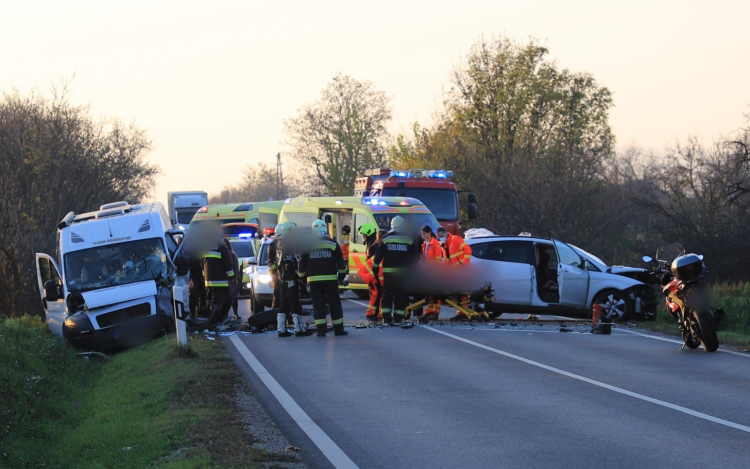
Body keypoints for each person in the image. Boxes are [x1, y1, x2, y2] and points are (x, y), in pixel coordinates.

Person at [299, 219, 348, 337]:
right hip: (331, 280)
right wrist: (341, 276)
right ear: (325, 229)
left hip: (314, 281)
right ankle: (338, 330)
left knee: (318, 305)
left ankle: (321, 330)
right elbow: (341, 264)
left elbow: (301, 265)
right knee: (334, 303)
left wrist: (303, 278)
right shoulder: (332, 243)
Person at [373, 216, 419, 324]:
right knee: (401, 294)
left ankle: (386, 317)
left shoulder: (385, 238)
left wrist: (375, 269)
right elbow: (415, 257)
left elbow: (378, 256)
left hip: (389, 272)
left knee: (387, 294)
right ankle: (398, 316)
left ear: (392, 225)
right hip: (403, 272)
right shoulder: (409, 238)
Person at [275, 222, 312, 337]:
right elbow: (290, 261)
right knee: (295, 303)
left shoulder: (279, 242)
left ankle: (281, 329)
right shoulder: (289, 242)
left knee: (284, 304)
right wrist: (297, 276)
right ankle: (299, 329)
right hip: (290, 277)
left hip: (282, 277)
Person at [201, 225, 235, 327]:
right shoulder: (221, 248)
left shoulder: (205, 248)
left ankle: (210, 319)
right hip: (220, 282)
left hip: (208, 281)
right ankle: (217, 321)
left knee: (210, 300)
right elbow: (227, 264)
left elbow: (202, 264)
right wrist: (232, 277)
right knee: (220, 302)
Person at [436, 226, 472, 320]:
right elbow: (448, 261)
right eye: (439, 237)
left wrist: (464, 264)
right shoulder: (444, 245)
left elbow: (468, 250)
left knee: (461, 293)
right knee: (459, 294)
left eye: (441, 236)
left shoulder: (455, 239)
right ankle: (461, 312)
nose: (441, 238)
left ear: (446, 233)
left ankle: (462, 313)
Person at [420, 225, 445, 322]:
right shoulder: (424, 244)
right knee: (429, 293)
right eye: (422, 234)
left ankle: (436, 312)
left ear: (429, 233)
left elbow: (438, 260)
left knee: (436, 293)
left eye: (424, 233)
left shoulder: (435, 244)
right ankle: (429, 311)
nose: (423, 235)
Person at [357, 222, 381, 321]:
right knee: (376, 293)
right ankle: (372, 313)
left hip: (369, 273)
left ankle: (376, 313)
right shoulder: (373, 244)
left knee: (376, 293)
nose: (363, 237)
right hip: (371, 273)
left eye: (364, 235)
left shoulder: (372, 244)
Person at [223, 238, 241, 320]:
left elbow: (236, 268)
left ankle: (236, 313)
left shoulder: (232, 255)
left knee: (233, 298)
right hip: (223, 280)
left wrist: (235, 278)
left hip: (231, 281)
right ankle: (225, 314)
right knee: (224, 299)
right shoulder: (221, 254)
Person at [267, 224, 283, 310]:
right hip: (277, 274)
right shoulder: (273, 244)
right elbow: (270, 260)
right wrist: (275, 272)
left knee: (282, 295)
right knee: (277, 294)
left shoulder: (275, 243)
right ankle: (275, 313)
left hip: (282, 273)